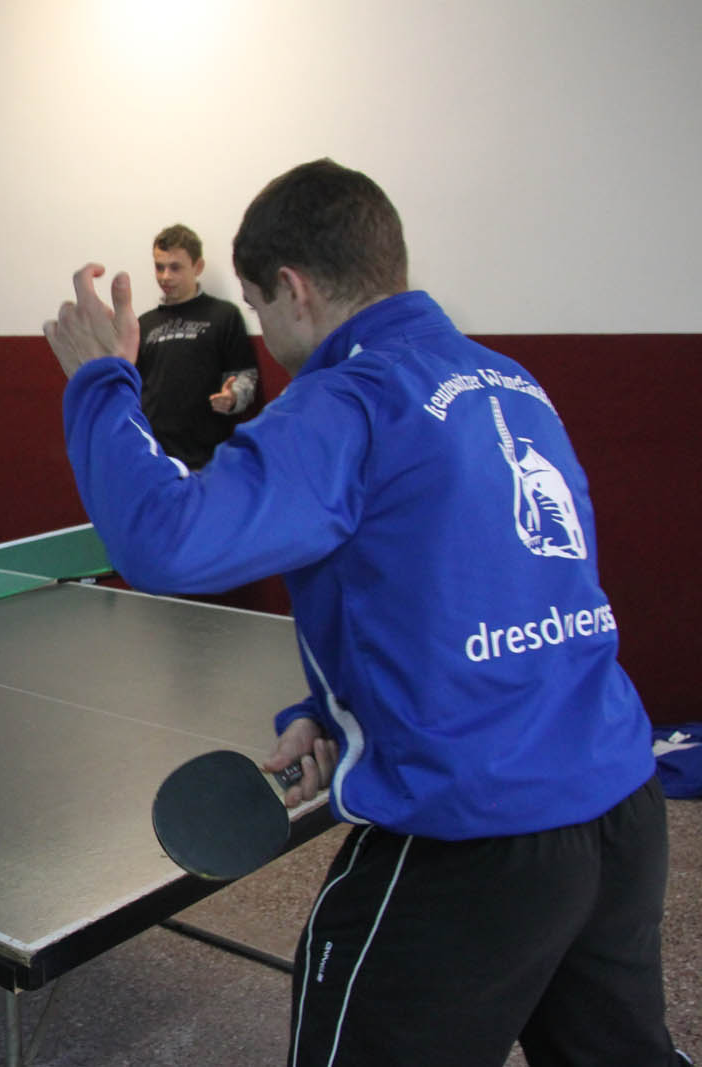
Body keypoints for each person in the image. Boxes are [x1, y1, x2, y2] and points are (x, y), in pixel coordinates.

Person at [44, 160, 685, 1065]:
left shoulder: (346, 399)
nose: (264, 335)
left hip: (474, 836)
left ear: (294, 288)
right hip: (622, 806)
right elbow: (490, 584)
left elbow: (164, 540)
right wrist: (333, 709)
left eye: (258, 310)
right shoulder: (510, 382)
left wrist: (100, 381)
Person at [135, 224, 258, 469]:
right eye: (159, 267)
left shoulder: (223, 315)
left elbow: (246, 376)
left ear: (197, 267)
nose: (165, 277)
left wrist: (233, 397)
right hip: (155, 458)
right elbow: (135, 386)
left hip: (207, 458)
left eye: (175, 267)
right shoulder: (144, 324)